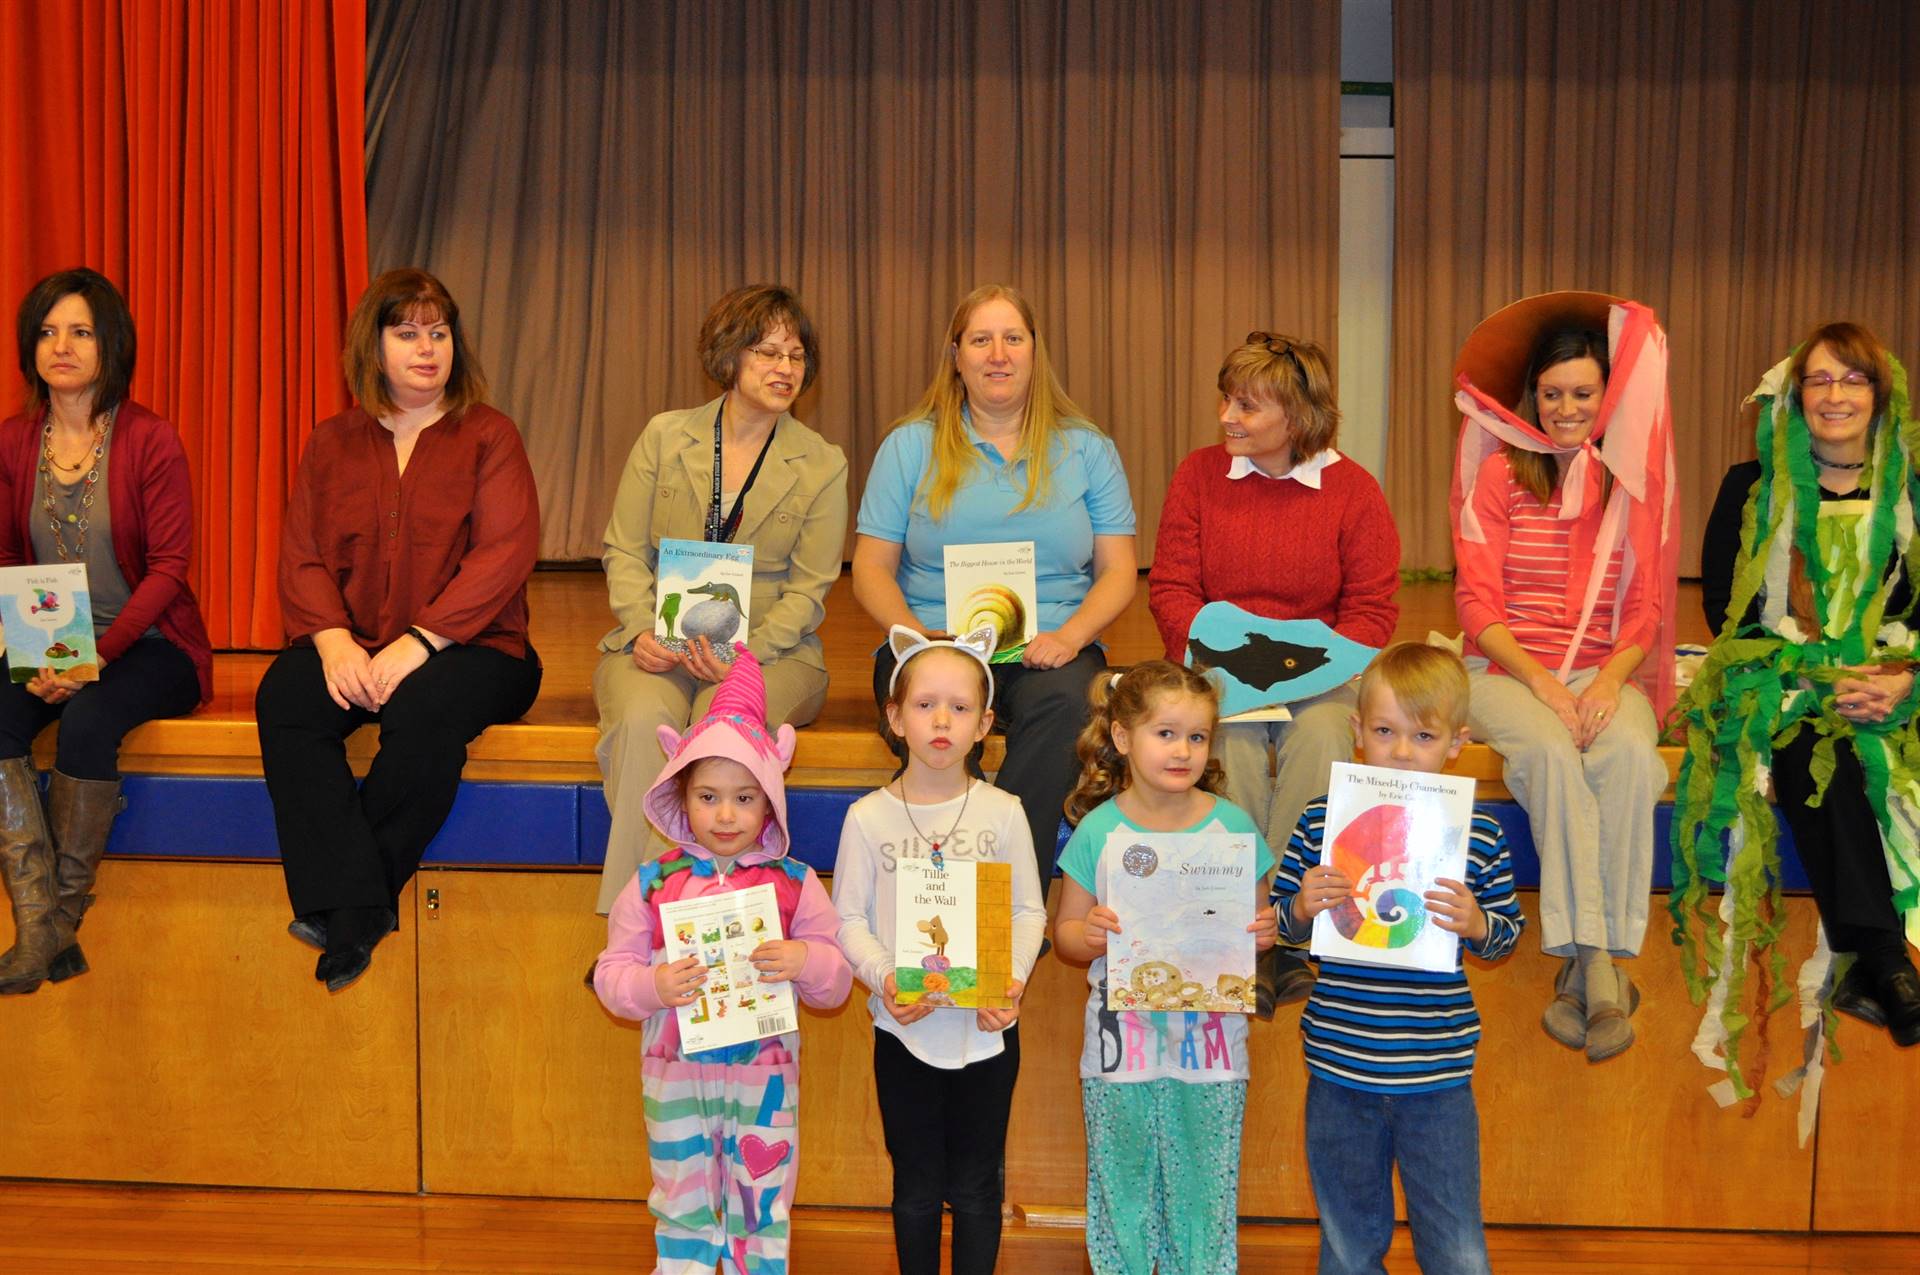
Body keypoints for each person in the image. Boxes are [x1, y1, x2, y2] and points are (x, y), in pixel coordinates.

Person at [257, 267, 542, 993]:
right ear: (373, 345)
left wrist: (421, 642)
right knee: (285, 699)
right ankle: (363, 903)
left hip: (479, 650)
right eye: (407, 332)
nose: (427, 348)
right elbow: (303, 553)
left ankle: (349, 906)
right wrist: (330, 639)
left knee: (421, 712)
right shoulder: (331, 443)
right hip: (359, 646)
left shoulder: (489, 435)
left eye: (439, 333)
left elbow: (504, 554)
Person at [1682, 321, 1920, 1063]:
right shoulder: (1748, 487)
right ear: (1795, 397)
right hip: (1783, 679)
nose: (1835, 395)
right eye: (1819, 380)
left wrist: (1904, 679)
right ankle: (1883, 959)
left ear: (1881, 396)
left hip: (1898, 677)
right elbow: (1726, 607)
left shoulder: (1914, 490)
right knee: (1817, 750)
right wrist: (1811, 671)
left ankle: (1874, 959)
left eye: (1853, 379)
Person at [852, 283, 1137, 900]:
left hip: (1052, 644)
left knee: (1068, 706)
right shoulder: (908, 446)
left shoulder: (1087, 448)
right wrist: (918, 643)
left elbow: (1119, 570)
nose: (998, 354)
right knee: (934, 712)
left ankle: (1006, 905)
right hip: (935, 640)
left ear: (1036, 352)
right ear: (956, 355)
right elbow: (871, 568)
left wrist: (1071, 637)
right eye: (981, 340)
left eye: (1014, 338)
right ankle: (941, 904)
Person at [1450, 294, 1677, 1062]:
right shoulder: (1499, 478)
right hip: (1504, 668)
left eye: (1584, 393)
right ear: (1532, 397)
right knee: (1548, 754)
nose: (1568, 408)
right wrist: (1545, 683)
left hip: (1604, 672)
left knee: (1629, 759)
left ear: (1608, 395)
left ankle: (1593, 962)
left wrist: (1609, 683)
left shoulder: (1629, 485)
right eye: (1553, 393)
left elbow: (1644, 612)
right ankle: (1598, 966)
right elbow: (1475, 602)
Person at [1149, 331, 1399, 1009]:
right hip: (1223, 675)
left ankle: (1290, 927)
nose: (1228, 416)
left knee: (1321, 737)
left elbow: (1372, 612)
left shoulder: (1353, 491)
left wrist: (1318, 669)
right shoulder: (1199, 475)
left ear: (1298, 415)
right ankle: (1243, 933)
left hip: (1317, 678)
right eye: (1227, 400)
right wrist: (1209, 661)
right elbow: (1172, 589)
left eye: (1248, 406)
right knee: (1227, 744)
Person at [594, 647, 851, 1275]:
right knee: (680, 1196)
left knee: (762, 1203)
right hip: (674, 1073)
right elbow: (611, 972)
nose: (727, 814)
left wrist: (802, 959)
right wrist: (652, 984)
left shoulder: (794, 883)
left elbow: (837, 980)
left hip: (765, 1080)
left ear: (770, 802)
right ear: (682, 798)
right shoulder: (653, 882)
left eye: (745, 797)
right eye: (709, 796)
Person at [1271, 641, 1523, 1275]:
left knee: (1456, 1242)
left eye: (1424, 735)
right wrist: (1301, 907)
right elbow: (1279, 929)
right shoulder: (1322, 822)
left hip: (1436, 1074)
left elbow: (1507, 935)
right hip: (1338, 1066)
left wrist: (1476, 921)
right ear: (1358, 734)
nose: (1403, 751)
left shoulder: (1480, 833)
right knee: (1349, 1241)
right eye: (1385, 731)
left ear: (1457, 743)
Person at [594, 285, 847, 914]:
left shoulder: (821, 463)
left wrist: (745, 657)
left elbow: (810, 591)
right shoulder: (664, 437)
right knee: (640, 721)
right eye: (766, 352)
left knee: (720, 729)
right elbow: (624, 551)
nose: (785, 368)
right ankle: (639, 915)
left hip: (773, 652)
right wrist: (640, 629)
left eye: (795, 355)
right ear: (728, 356)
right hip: (659, 640)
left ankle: (704, 913)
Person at [0, 268, 212, 994]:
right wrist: (37, 655)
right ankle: (38, 927)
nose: (62, 345)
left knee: (89, 720)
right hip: (48, 640)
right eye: (49, 331)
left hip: (149, 645)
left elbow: (169, 569)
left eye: (81, 331)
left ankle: (57, 923)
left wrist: (93, 655)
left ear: (110, 345)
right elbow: (5, 557)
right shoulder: (13, 441)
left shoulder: (151, 440)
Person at [831, 626, 1047, 1275]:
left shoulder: (1003, 812)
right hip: (904, 1030)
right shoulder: (868, 817)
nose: (942, 719)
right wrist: (883, 981)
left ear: (985, 722)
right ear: (895, 717)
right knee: (917, 1187)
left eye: (959, 706)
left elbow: (1027, 909)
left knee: (980, 1185)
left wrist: (1008, 982)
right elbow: (847, 918)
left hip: (986, 1030)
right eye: (925, 704)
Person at [1052, 661, 1280, 1275]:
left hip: (1210, 1053)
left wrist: (1265, 931)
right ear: (1123, 738)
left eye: (1198, 737)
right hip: (1118, 1051)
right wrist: (1090, 933)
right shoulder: (1099, 830)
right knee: (1121, 1178)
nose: (1183, 751)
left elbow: (1261, 927)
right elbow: (1066, 938)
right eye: (1166, 733)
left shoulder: (1232, 826)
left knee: (1205, 1181)